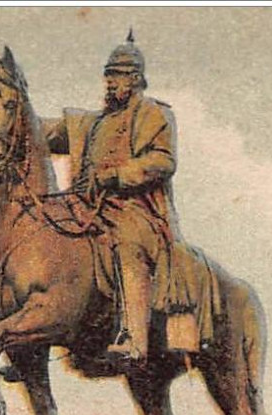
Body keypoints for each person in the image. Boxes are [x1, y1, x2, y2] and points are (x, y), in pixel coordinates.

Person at [43, 34, 178, 364]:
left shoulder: (153, 115)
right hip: (87, 207)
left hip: (134, 210)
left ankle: (134, 339)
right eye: (107, 75)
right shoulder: (92, 122)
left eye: (115, 75)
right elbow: (42, 132)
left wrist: (116, 175)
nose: (108, 82)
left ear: (134, 79)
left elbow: (163, 161)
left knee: (127, 245)